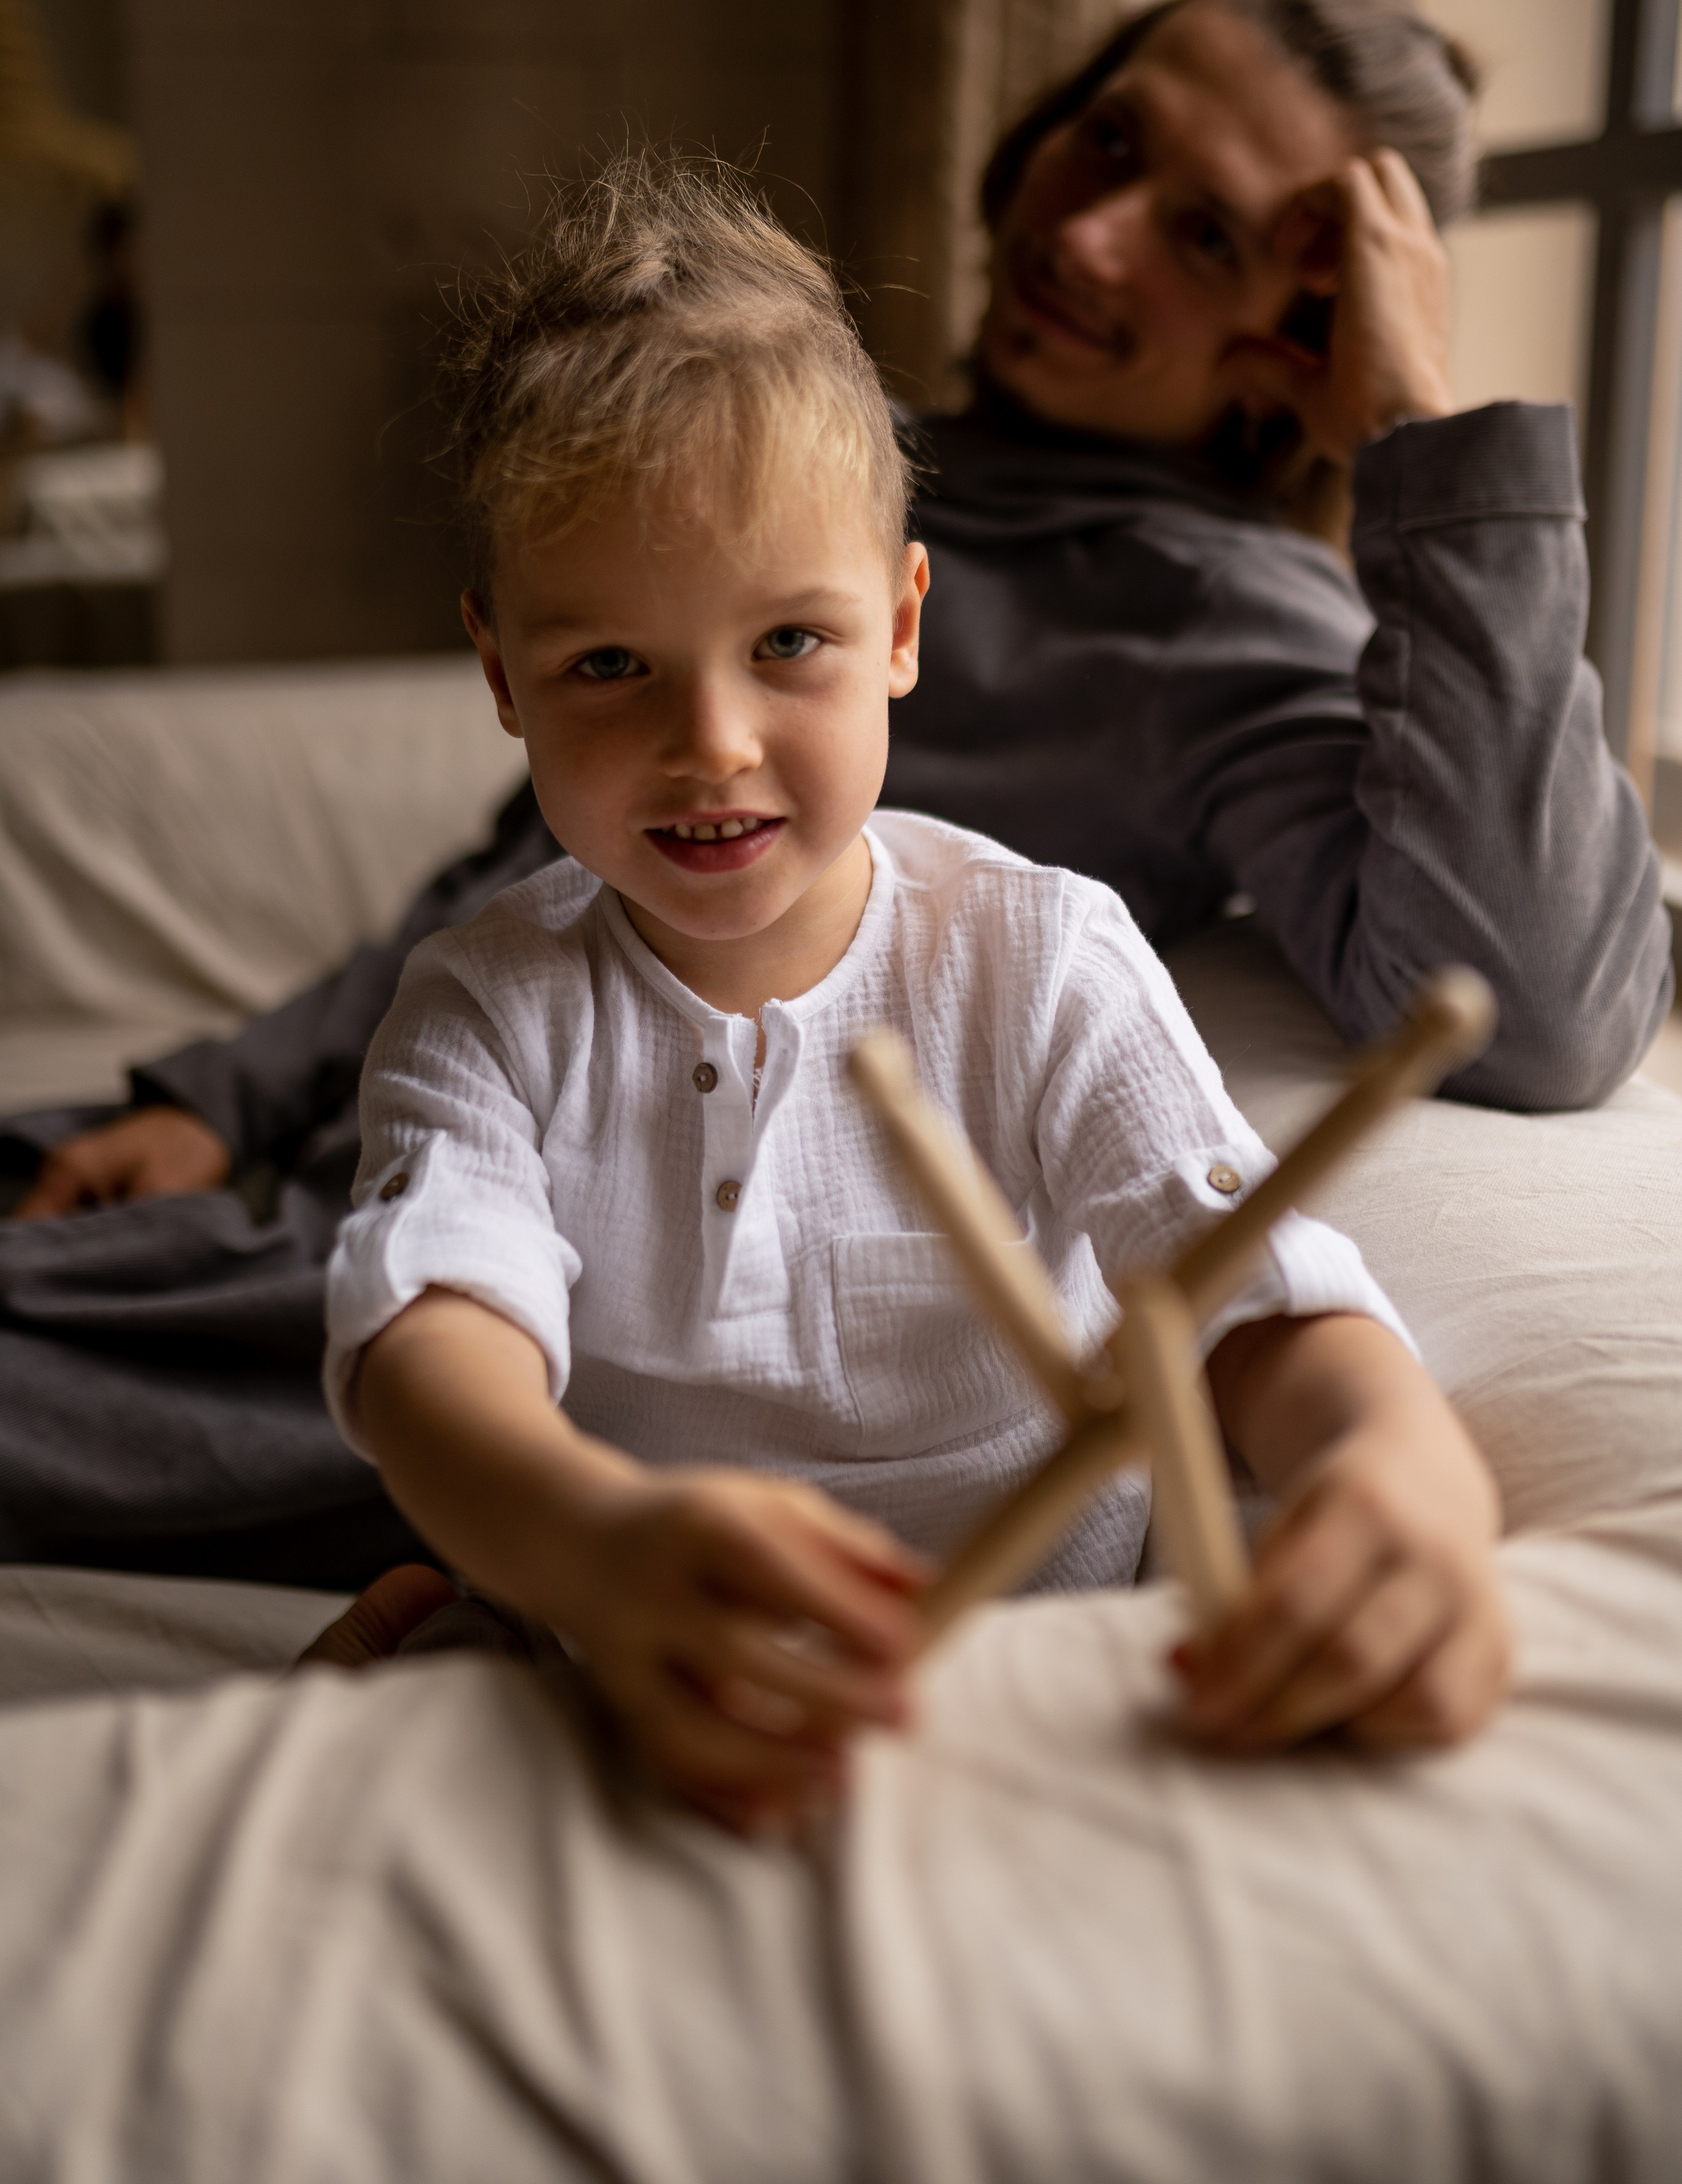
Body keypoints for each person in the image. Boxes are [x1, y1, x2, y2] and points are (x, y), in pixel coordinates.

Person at [1, 0, 1666, 1589]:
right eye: (1110, 141)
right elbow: (513, 890)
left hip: (574, 1298)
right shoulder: (791, 462)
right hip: (418, 1155)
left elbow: (1528, 1001)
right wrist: (231, 1091)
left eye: (1205, 236)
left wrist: (1411, 436)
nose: (1085, 240)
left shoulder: (1209, 627)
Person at [314, 152, 1507, 1827]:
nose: (710, 740)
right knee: (366, 1760)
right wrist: (585, 1543)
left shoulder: (1040, 956)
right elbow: (431, 1345)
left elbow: (1245, 1286)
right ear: (503, 677)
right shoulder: (485, 1007)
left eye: (787, 644)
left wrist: (1395, 1470)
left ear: (898, 626)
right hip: (654, 1657)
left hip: (1058, 1696)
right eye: (608, 666)